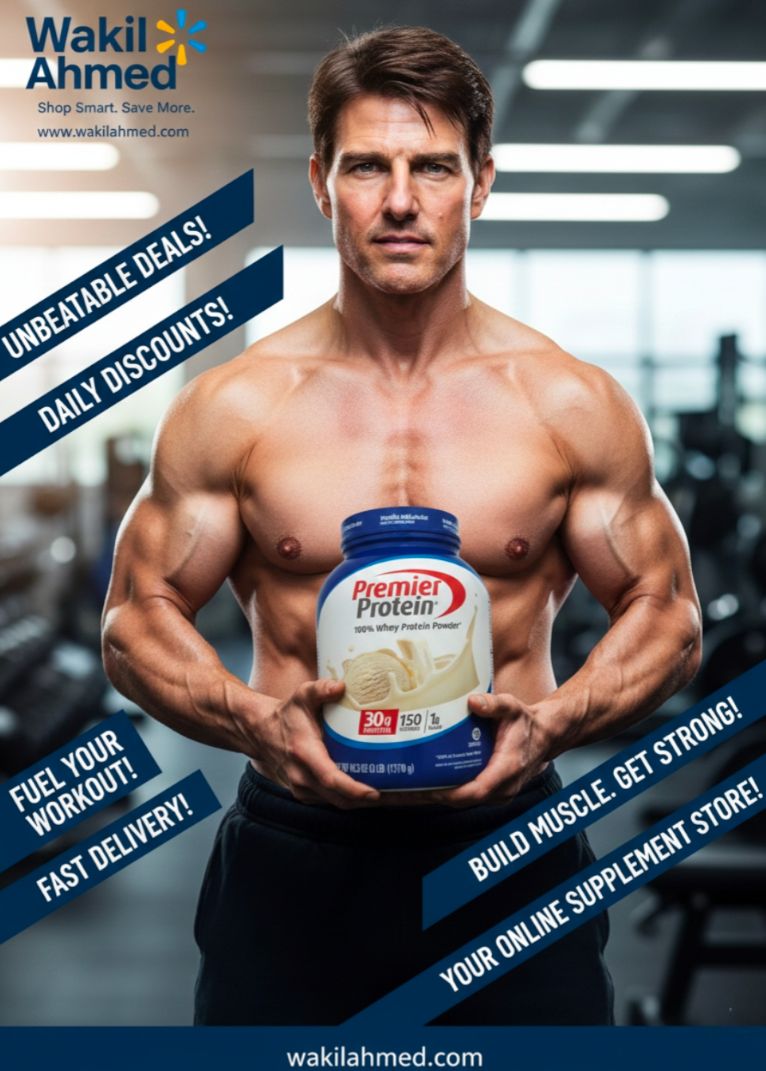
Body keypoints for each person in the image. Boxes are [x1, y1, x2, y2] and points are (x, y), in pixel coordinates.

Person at [101, 26, 701, 1026]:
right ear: (321, 183)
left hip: (509, 846)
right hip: (296, 852)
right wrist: (254, 720)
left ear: (481, 182)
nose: (399, 199)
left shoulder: (567, 402)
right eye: (366, 166)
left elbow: (667, 611)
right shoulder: (236, 407)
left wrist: (554, 721)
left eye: (433, 166)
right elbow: (134, 614)